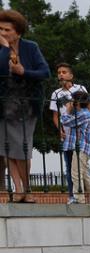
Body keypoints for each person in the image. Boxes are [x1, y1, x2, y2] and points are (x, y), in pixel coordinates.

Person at [0, 9, 49, 202]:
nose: (3, 33)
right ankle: (18, 189)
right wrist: (4, 48)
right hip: (4, 106)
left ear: (18, 32)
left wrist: (23, 71)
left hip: (27, 106)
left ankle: (27, 189)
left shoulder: (31, 47)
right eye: (0, 29)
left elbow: (45, 72)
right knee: (7, 149)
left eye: (7, 30)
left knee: (22, 148)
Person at [49, 62, 86, 202]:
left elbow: (88, 108)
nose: (61, 75)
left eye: (64, 72)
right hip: (67, 136)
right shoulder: (56, 94)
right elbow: (55, 115)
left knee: (83, 166)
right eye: (59, 72)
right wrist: (60, 130)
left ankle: (89, 194)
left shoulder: (80, 88)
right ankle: (72, 196)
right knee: (70, 166)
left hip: (81, 134)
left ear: (71, 75)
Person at [58, 91, 90, 204]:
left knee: (76, 173)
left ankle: (78, 199)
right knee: (85, 174)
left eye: (72, 100)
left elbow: (65, 121)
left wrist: (67, 110)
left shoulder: (83, 114)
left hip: (81, 148)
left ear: (77, 102)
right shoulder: (84, 113)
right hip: (83, 148)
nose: (70, 102)